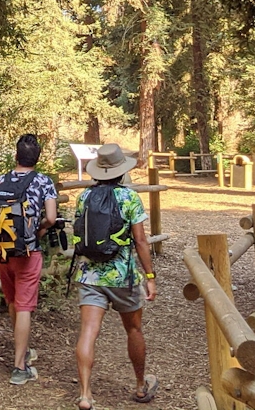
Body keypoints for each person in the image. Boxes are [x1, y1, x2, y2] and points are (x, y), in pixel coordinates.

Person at [72, 143, 158, 410]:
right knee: (133, 328)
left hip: (89, 274)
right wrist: (150, 275)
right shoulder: (129, 198)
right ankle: (141, 386)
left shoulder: (84, 197)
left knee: (88, 331)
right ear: (122, 171)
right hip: (122, 276)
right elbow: (141, 241)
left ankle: (85, 394)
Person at [0, 133, 58, 385]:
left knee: (13, 301)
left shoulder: (1, 179)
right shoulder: (43, 182)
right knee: (25, 305)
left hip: (1, 250)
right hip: (28, 251)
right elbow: (50, 217)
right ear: (37, 158)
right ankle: (20, 366)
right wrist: (37, 231)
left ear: (16, 155)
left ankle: (23, 349)